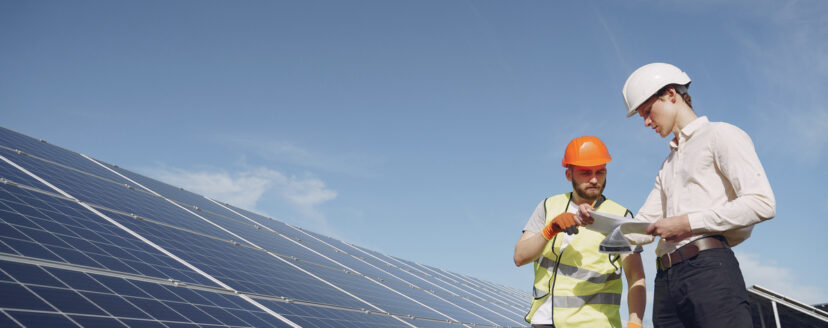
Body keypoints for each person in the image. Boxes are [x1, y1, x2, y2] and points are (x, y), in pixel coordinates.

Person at [594, 62, 776, 327]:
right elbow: (643, 226)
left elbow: (762, 203)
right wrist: (591, 221)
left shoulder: (721, 134)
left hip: (709, 270)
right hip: (666, 283)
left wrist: (687, 223)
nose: (646, 122)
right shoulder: (667, 164)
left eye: (647, 112)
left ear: (670, 94)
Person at [514, 136, 646, 328]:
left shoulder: (620, 216)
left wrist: (635, 323)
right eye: (585, 173)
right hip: (542, 321)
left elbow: (636, 276)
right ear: (569, 174)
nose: (594, 179)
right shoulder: (548, 206)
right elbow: (519, 257)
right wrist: (550, 230)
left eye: (600, 172)